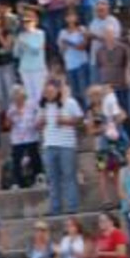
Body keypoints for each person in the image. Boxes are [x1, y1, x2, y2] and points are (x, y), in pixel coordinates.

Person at [39, 78, 84, 216]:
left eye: (51, 91)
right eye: (46, 91)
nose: (48, 93)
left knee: (69, 176)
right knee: (52, 179)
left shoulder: (70, 102)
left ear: (58, 90)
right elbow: (38, 125)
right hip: (49, 145)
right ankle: (55, 208)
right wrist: (40, 122)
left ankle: (72, 207)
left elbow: (80, 118)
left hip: (66, 145)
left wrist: (66, 121)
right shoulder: (43, 105)